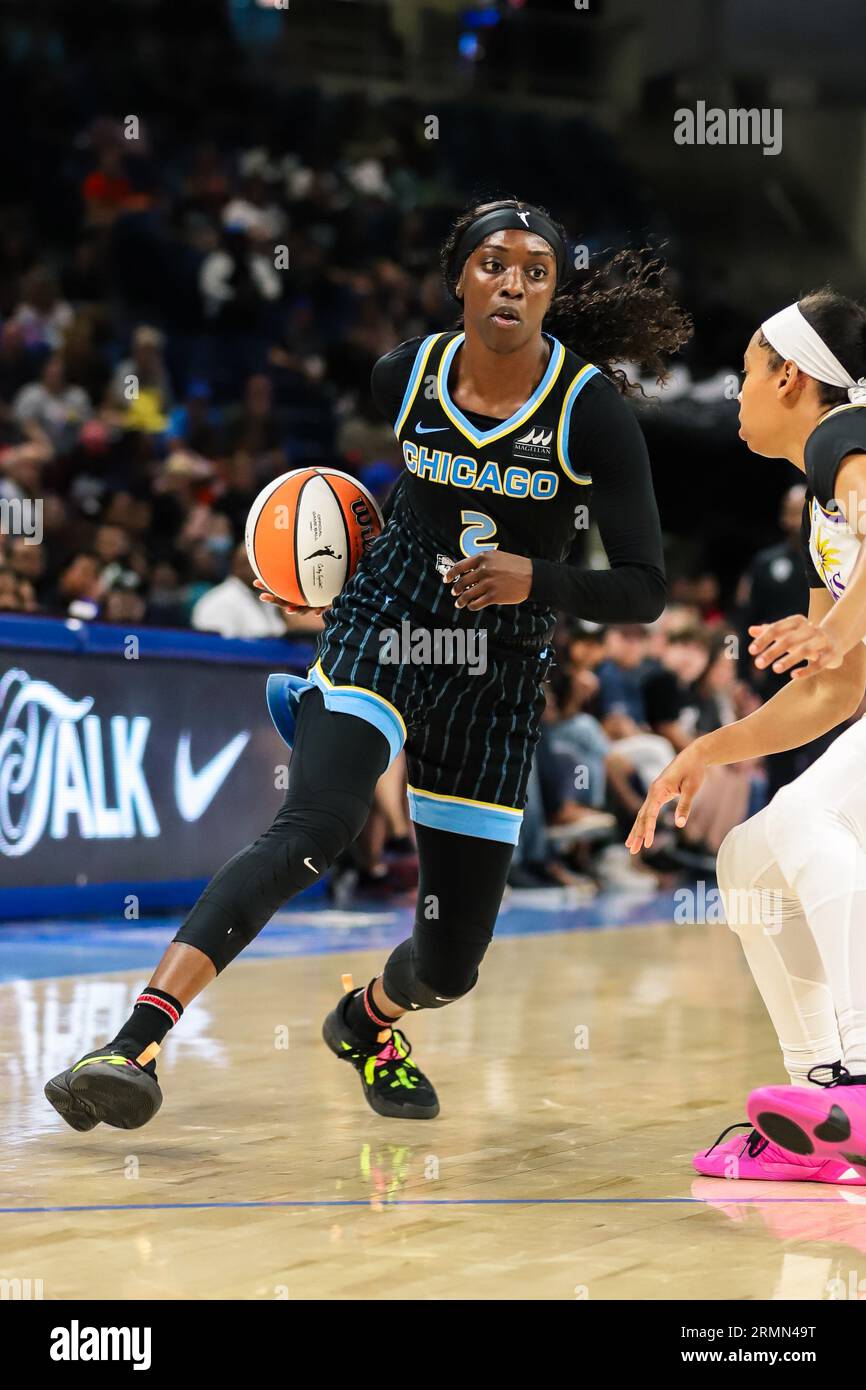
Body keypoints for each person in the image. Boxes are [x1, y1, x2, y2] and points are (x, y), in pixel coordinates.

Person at [44, 197, 689, 1132]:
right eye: (495, 264)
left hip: (497, 671)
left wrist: (532, 578)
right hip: (386, 623)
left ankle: (369, 1023)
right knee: (316, 824)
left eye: (536, 271)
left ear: (551, 293)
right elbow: (368, 507)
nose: (513, 281)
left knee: (451, 962)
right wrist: (318, 562)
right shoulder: (406, 374)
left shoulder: (590, 413)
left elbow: (644, 587)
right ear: (459, 278)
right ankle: (134, 1040)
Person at [627, 289, 866, 1183]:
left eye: (743, 375)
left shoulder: (850, 434)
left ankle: (859, 1078)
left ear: (792, 377)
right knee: (749, 856)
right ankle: (824, 1119)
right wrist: (703, 752)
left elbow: (838, 650)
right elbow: (835, 695)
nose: (736, 394)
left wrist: (835, 629)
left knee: (806, 828)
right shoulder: (822, 504)